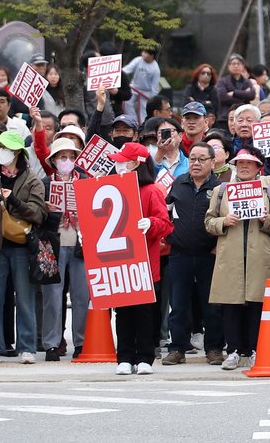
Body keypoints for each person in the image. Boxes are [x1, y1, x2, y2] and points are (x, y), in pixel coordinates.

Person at [205, 148, 270, 370]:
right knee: (231, 306)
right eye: (240, 163)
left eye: (249, 163)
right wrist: (223, 222)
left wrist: (265, 219)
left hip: (258, 256)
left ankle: (253, 349)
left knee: (256, 305)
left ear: (259, 167)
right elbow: (208, 222)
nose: (244, 167)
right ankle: (233, 351)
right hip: (230, 257)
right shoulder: (222, 191)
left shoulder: (268, 192)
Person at [108, 143, 173, 374]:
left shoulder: (152, 190)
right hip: (121, 261)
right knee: (123, 312)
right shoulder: (114, 188)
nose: (118, 165)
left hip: (145, 263)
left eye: (123, 161)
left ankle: (145, 356)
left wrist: (151, 223)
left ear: (136, 163)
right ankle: (124, 356)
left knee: (145, 312)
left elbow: (165, 224)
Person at [0, 128, 47, 363]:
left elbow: (39, 214)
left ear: (18, 153)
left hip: (22, 246)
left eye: (6, 149)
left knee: (25, 297)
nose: (2, 153)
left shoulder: (33, 181)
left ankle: (27, 346)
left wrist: (14, 201)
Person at [163, 141, 224, 366]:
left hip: (210, 254)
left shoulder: (220, 187)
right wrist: (170, 237)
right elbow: (166, 212)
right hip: (180, 254)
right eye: (192, 159)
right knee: (178, 305)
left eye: (201, 159)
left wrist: (220, 244)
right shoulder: (179, 183)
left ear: (212, 162)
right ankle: (177, 348)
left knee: (213, 305)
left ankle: (215, 348)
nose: (196, 164)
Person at [40, 137, 89, 361]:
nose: (67, 161)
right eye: (62, 157)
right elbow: (35, 216)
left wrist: (84, 212)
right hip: (53, 243)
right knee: (52, 295)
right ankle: (51, 343)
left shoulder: (86, 181)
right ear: (54, 160)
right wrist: (46, 210)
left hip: (80, 244)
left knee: (81, 295)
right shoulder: (45, 183)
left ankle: (81, 341)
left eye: (71, 157)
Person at [121, 47, 161, 126]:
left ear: (152, 55)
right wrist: (119, 73)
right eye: (143, 51)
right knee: (127, 102)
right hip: (134, 87)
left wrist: (153, 99)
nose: (143, 54)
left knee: (144, 111)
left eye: (146, 53)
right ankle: (133, 122)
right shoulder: (138, 60)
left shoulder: (155, 69)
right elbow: (127, 69)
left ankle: (144, 127)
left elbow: (155, 87)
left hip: (146, 92)